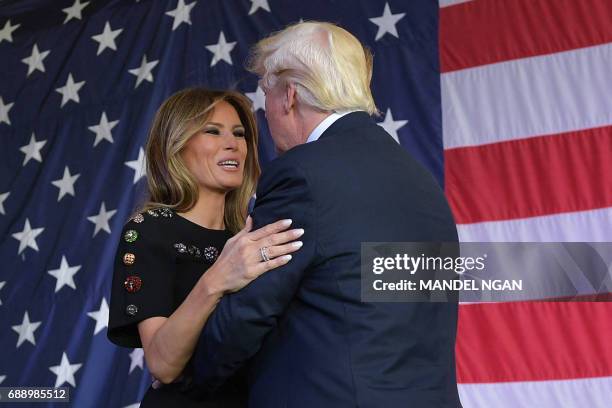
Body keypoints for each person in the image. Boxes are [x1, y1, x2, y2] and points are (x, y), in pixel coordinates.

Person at [190, 22, 463, 407]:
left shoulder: (302, 174)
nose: (264, 113)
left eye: (264, 94)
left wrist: (184, 374)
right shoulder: (420, 179)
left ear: (288, 96)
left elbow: (250, 312)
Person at [107, 88, 304, 407]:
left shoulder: (257, 233)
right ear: (176, 146)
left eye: (239, 134)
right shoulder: (149, 229)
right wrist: (217, 279)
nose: (233, 144)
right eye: (212, 131)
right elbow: (163, 364)